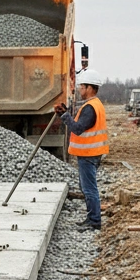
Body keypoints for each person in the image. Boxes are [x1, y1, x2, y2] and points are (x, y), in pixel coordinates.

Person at [55, 71, 108, 230]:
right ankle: (92, 218)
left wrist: (65, 116)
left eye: (82, 87)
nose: (80, 89)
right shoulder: (94, 104)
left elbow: (78, 128)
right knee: (86, 187)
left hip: (88, 154)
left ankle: (94, 221)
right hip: (91, 153)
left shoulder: (90, 108)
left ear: (90, 88)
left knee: (89, 189)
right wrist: (65, 113)